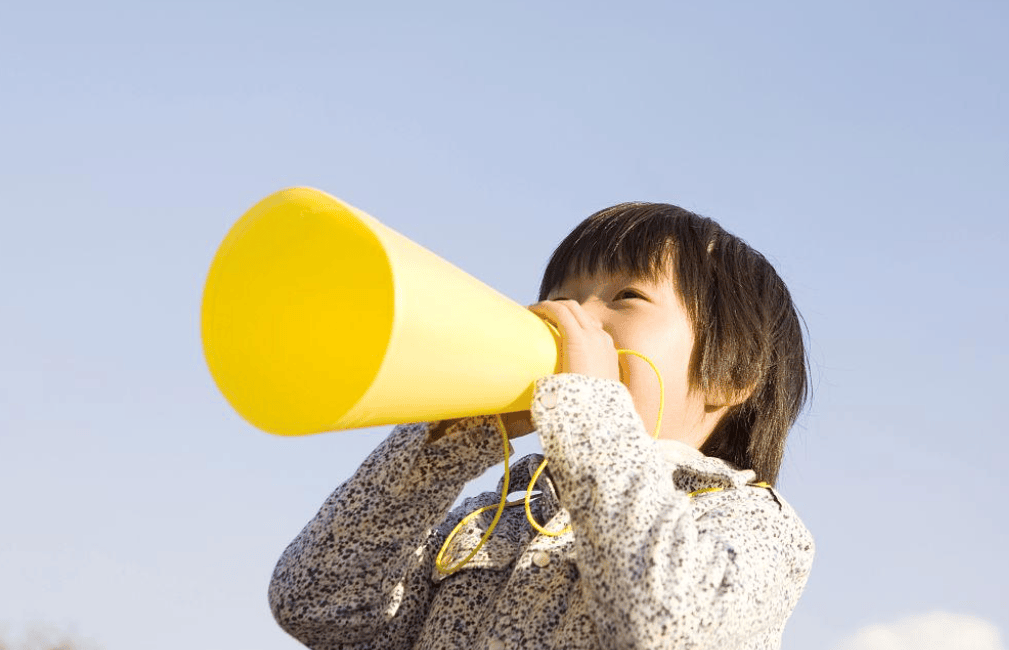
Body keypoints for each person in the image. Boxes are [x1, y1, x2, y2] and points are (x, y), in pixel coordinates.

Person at [269, 202, 815, 650]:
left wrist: (592, 416)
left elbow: (662, 622)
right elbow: (319, 604)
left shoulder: (756, 525)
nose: (571, 317)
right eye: (561, 297)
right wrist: (443, 446)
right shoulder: (492, 517)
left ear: (732, 374)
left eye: (626, 296)